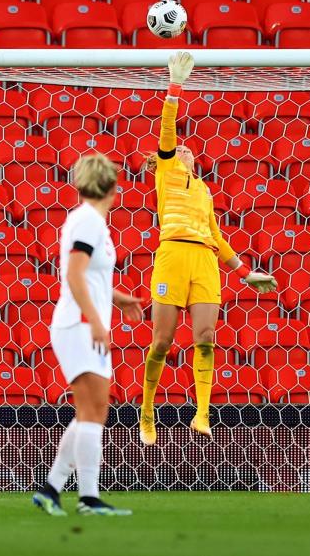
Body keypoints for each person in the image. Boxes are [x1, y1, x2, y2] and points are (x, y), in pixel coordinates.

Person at [138, 52, 277, 445]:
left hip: (204, 261)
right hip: (172, 257)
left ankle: (202, 413)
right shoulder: (166, 174)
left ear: (196, 164)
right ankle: (147, 411)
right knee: (162, 341)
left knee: (205, 337)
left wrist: (245, 271)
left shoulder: (204, 191)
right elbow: (167, 131)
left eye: (187, 150)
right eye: (178, 149)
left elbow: (217, 238)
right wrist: (175, 87)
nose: (183, 150)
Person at [32, 154, 144, 517]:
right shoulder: (89, 222)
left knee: (89, 410)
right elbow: (75, 276)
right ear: (113, 187)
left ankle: (51, 489)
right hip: (79, 323)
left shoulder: (87, 221)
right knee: (94, 410)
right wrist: (97, 320)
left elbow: (90, 277)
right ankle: (88, 498)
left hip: (82, 321)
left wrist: (120, 299)